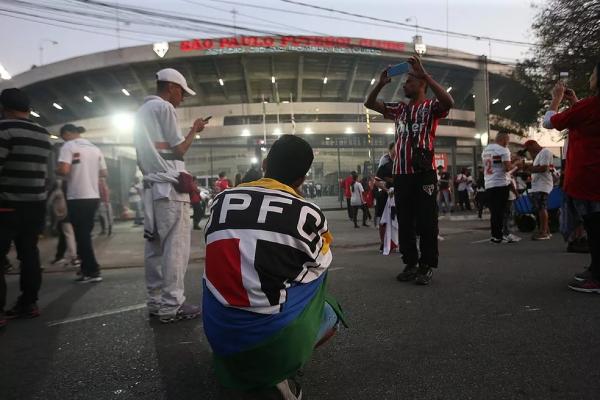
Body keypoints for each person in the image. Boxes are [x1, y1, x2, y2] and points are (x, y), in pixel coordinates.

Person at [202, 135, 344, 399]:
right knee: (325, 296)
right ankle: (282, 370)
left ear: (265, 163)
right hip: (268, 343)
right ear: (302, 178)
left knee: (219, 266)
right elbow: (321, 265)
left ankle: (233, 357)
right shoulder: (307, 212)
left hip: (218, 335)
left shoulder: (220, 200)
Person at [365, 56, 454, 285]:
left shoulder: (430, 108)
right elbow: (370, 104)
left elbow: (448, 102)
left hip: (424, 173)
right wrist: (380, 84)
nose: (404, 85)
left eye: (409, 81)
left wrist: (425, 74)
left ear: (421, 84)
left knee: (427, 221)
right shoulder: (399, 110)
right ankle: (410, 262)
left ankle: (426, 265)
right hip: (401, 174)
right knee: (405, 221)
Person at [133, 67, 208, 322]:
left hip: (152, 187)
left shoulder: (141, 112)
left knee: (154, 247)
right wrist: (194, 130)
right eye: (182, 92)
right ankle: (172, 305)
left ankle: (155, 302)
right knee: (175, 247)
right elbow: (179, 151)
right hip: (169, 188)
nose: (182, 98)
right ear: (172, 87)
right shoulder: (164, 108)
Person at [542, 64, 600, 293]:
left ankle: (597, 276)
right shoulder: (587, 107)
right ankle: (596, 268)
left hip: (587, 175)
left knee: (594, 227)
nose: (591, 77)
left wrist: (555, 100)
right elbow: (587, 121)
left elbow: (549, 123)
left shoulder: (591, 105)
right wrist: (575, 102)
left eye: (594, 73)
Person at [0, 88, 51, 320]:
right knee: (29, 254)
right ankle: (29, 303)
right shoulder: (43, 133)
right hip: (36, 204)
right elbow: (47, 174)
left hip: (7, 204)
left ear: (4, 107)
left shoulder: (4, 130)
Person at [57, 124, 108, 283]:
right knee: (84, 234)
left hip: (77, 196)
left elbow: (64, 170)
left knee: (81, 235)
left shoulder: (68, 146)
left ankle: (92, 270)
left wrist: (56, 171)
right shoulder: (95, 148)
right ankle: (86, 269)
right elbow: (104, 173)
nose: (63, 139)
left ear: (67, 133)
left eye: (63, 136)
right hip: (93, 196)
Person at [482, 132, 521, 243]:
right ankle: (499, 235)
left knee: (494, 212)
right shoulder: (503, 150)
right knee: (501, 212)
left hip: (489, 183)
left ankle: (495, 235)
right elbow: (507, 168)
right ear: (504, 139)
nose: (507, 143)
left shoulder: (487, 150)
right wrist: (517, 165)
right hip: (500, 184)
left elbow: (496, 164)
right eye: (508, 140)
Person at [522, 140, 555, 240]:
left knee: (541, 207)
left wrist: (528, 168)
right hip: (538, 185)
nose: (529, 151)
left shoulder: (545, 152)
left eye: (529, 148)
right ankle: (546, 231)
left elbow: (543, 168)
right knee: (539, 207)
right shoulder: (539, 155)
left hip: (543, 185)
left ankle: (543, 232)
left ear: (534, 145)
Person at [48, 180, 78, 267]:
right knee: (66, 235)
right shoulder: (71, 191)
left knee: (68, 235)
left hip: (64, 216)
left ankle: (73, 257)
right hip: (72, 215)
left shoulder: (58, 191)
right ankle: (62, 256)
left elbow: (49, 202)